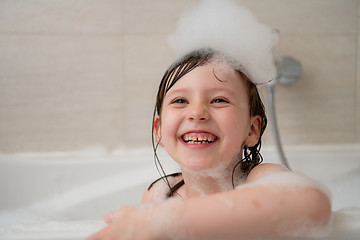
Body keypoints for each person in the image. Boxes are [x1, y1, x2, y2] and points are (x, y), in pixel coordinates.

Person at [85, 48, 331, 240]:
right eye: (180, 100)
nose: (197, 113)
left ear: (252, 130)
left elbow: (311, 203)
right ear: (159, 130)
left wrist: (166, 221)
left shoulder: (259, 178)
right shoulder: (160, 194)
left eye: (219, 100)